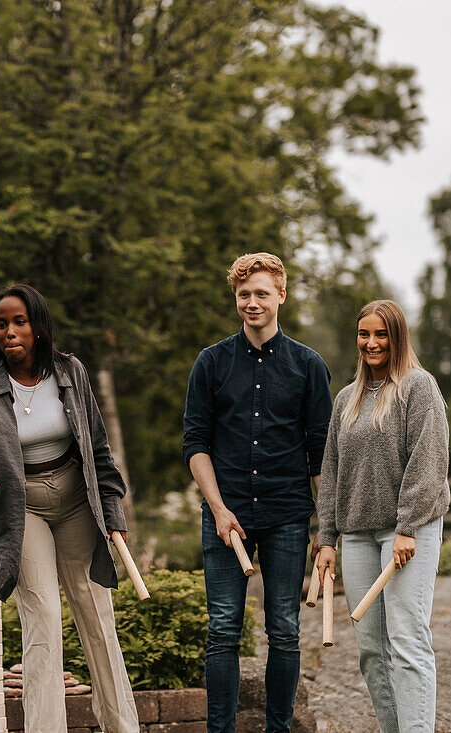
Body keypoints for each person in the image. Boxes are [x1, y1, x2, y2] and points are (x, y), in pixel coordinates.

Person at [0, 283, 138, 733]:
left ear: (37, 326)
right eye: (0, 324)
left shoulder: (71, 372)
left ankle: (122, 727)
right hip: (22, 507)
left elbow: (99, 447)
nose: (9, 332)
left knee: (97, 618)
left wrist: (113, 515)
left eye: (19, 322)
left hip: (76, 502)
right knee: (44, 622)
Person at [183, 252, 333, 733]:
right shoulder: (211, 363)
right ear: (235, 298)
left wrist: (325, 530)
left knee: (284, 632)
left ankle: (279, 729)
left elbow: (321, 454)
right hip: (225, 518)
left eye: (261, 293)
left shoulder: (309, 366)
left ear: (281, 296)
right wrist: (219, 509)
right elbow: (195, 444)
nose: (252, 302)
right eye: (244, 294)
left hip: (288, 514)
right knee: (222, 630)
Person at [316, 299, 450, 733]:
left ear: (397, 337)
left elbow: (428, 462)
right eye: (364, 334)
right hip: (355, 534)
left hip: (408, 533)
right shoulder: (345, 400)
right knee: (371, 649)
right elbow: (332, 471)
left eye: (381, 334)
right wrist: (326, 540)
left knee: (408, 639)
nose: (371, 343)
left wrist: (408, 526)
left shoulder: (419, 386)